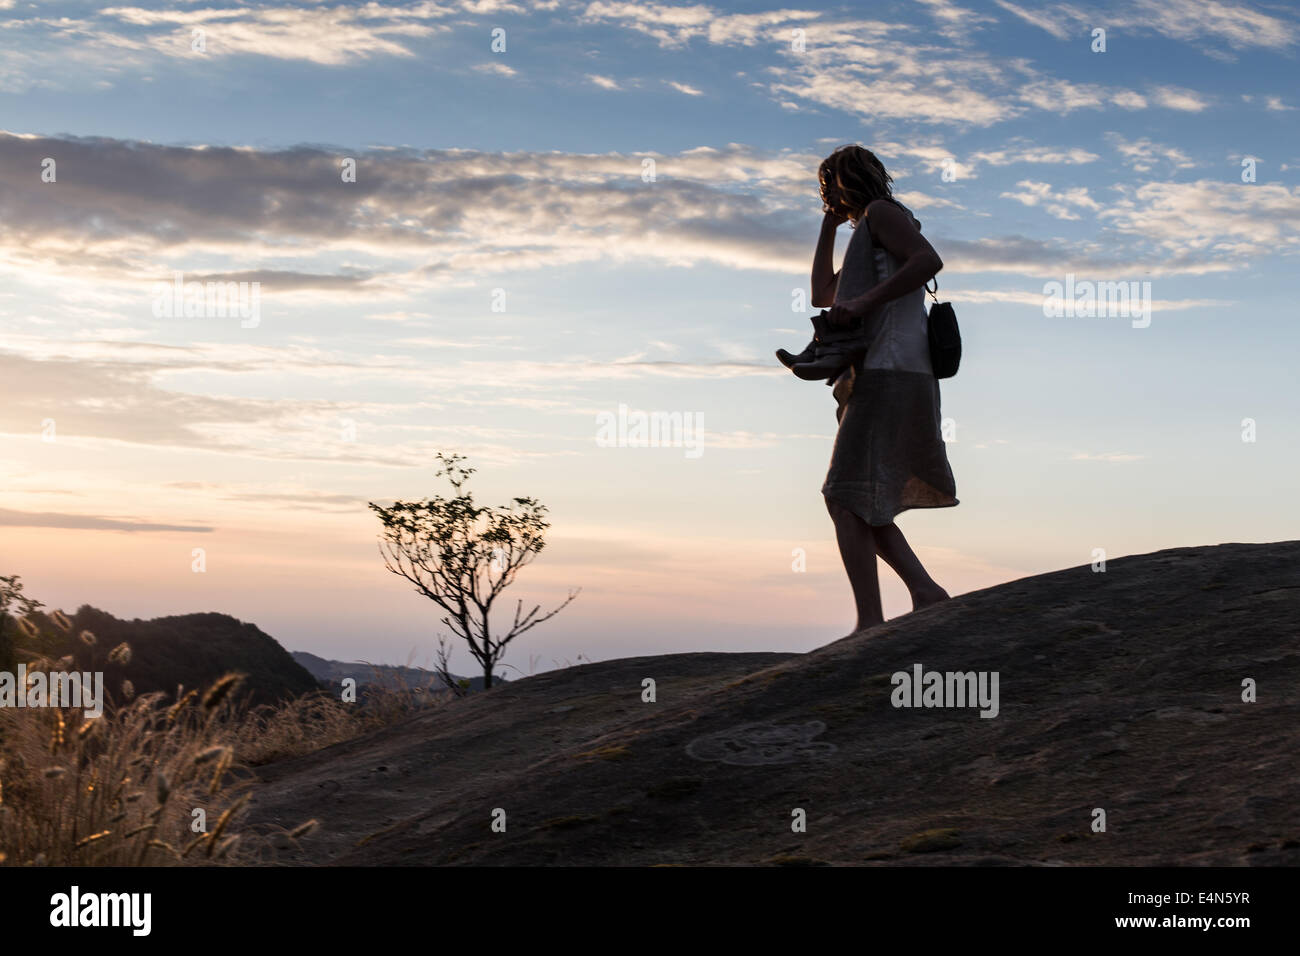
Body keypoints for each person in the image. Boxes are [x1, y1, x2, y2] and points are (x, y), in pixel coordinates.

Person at [810, 144, 958, 635]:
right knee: (857, 496)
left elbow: (927, 260)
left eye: (828, 186)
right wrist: (829, 227)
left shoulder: (882, 213)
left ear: (842, 182)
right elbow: (822, 294)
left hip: (890, 369)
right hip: (883, 371)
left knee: (844, 496)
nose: (828, 195)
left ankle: (871, 621)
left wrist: (868, 301)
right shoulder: (866, 227)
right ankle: (925, 593)